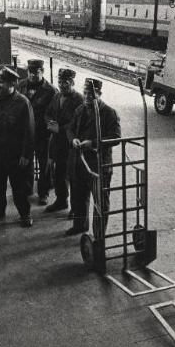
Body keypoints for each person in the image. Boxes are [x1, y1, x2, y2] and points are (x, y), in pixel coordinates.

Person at [0, 67, 35, 227]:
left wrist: (26, 155)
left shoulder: (23, 103)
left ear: (12, 84)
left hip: (14, 156)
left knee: (19, 188)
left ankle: (25, 213)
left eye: (0, 82)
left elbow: (29, 132)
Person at [66, 78, 121, 236]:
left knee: (100, 203)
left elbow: (116, 137)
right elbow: (70, 128)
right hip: (80, 163)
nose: (87, 96)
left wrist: (94, 143)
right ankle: (80, 226)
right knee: (78, 198)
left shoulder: (109, 113)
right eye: (85, 93)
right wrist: (73, 139)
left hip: (99, 166)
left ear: (99, 94)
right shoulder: (80, 110)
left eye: (91, 94)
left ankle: (98, 236)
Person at [44, 68, 84, 214]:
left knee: (73, 178)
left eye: (65, 82)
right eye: (60, 81)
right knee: (58, 174)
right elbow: (47, 113)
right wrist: (49, 123)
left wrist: (59, 128)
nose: (62, 85)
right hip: (56, 143)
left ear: (72, 82)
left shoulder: (79, 99)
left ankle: (75, 208)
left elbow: (78, 122)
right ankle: (61, 201)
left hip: (70, 145)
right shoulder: (57, 96)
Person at [17, 59, 56, 205]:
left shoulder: (51, 90)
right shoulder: (20, 86)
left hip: (42, 134)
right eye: (31, 72)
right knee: (26, 161)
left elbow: (54, 112)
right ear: (27, 72)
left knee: (44, 163)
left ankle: (43, 193)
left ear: (42, 72)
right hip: (25, 134)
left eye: (37, 72)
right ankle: (27, 189)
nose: (33, 75)